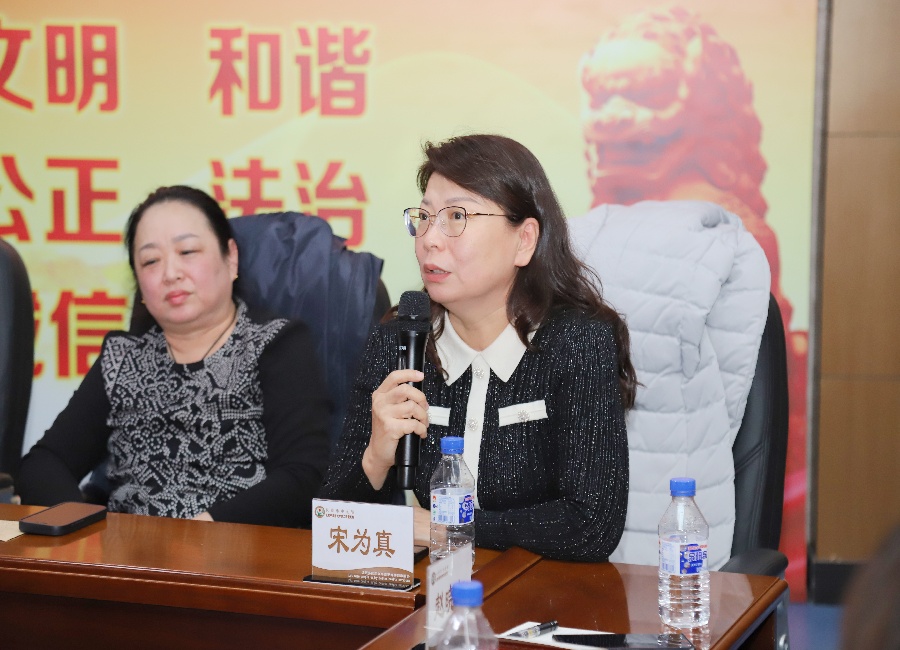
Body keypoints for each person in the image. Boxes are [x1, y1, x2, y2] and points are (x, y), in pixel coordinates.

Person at [321, 134, 636, 561]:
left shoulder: (575, 342)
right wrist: (376, 456)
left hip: (541, 592)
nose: (430, 239)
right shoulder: (400, 340)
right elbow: (336, 528)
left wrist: (447, 527)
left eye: (456, 216)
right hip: (434, 587)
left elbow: (592, 525)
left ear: (524, 240)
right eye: (424, 217)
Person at [18, 186, 331, 528]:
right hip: (126, 552)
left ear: (231, 258)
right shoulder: (123, 358)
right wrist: (91, 534)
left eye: (187, 251)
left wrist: (199, 531)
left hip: (234, 549)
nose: (170, 273)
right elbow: (45, 464)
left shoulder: (275, 345)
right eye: (151, 261)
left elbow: (304, 476)